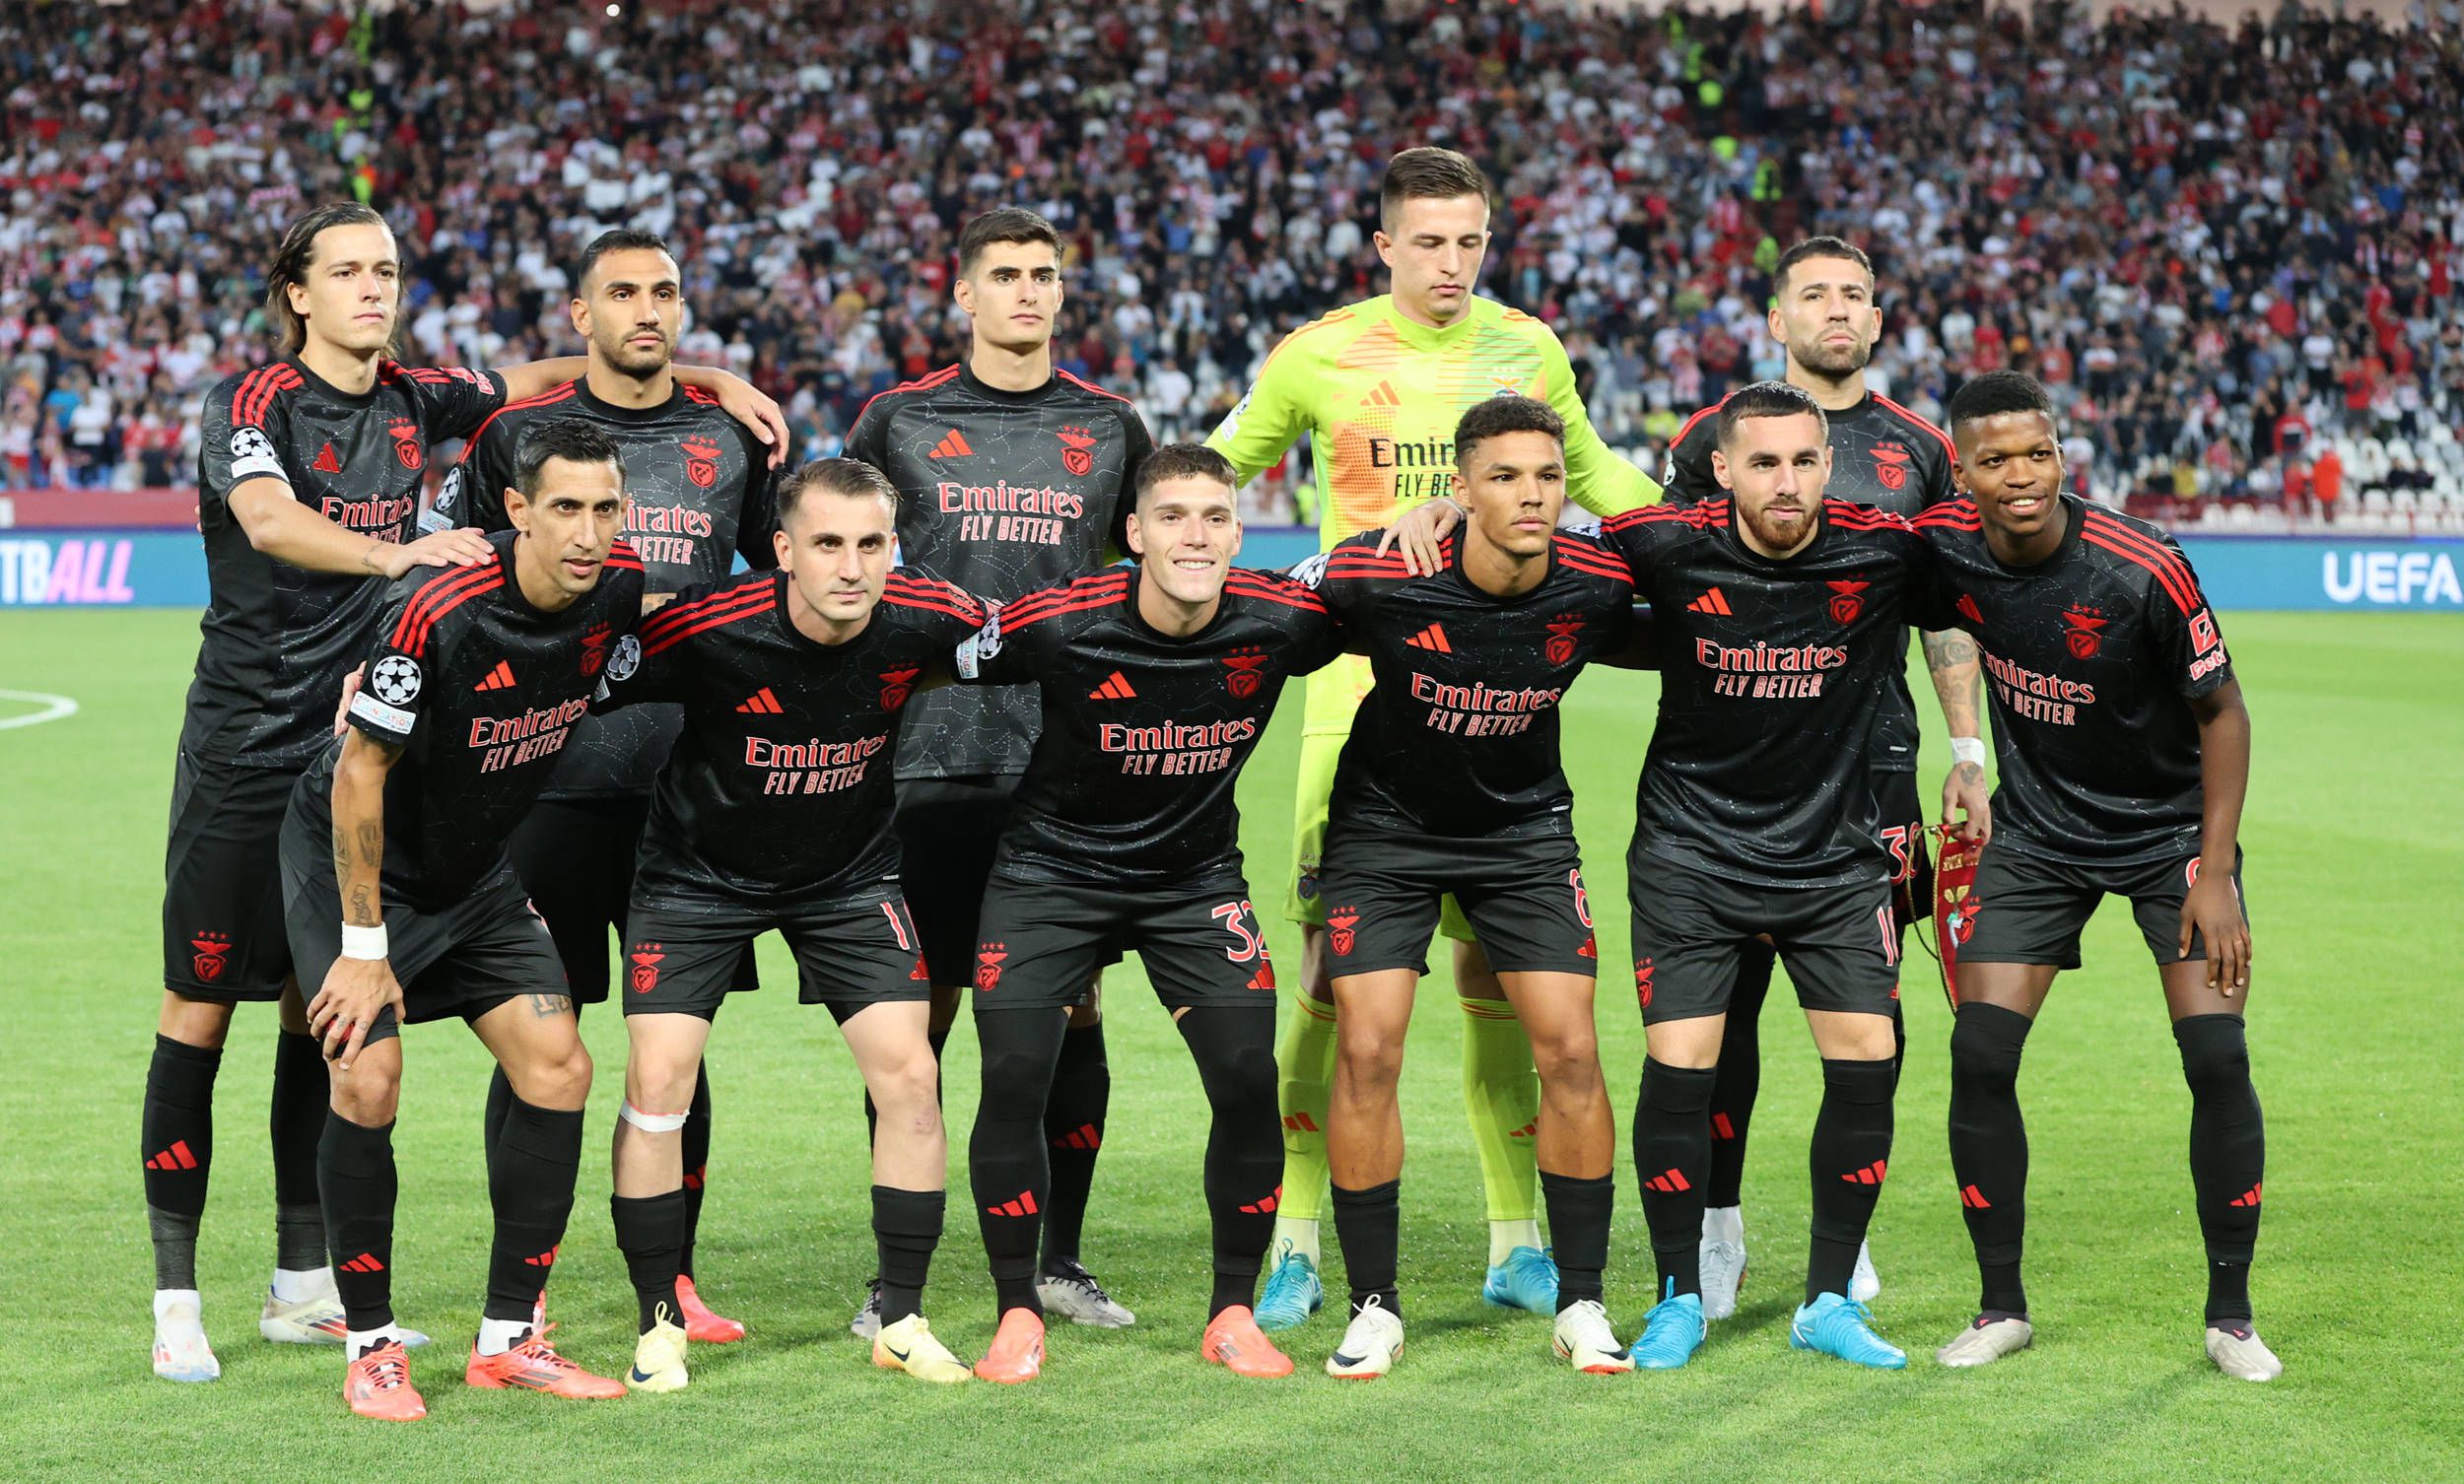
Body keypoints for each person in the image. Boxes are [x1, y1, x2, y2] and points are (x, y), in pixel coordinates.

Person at [146, 200, 780, 1383]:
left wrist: (702, 372)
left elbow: (539, 370)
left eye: (385, 270)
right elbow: (270, 518)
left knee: (315, 1021)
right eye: (347, 272)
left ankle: (302, 1286)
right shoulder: (251, 404)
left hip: (374, 741)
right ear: (297, 292)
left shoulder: (416, 396)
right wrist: (399, 553)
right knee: (200, 1009)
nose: (373, 289)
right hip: (255, 742)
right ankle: (176, 1295)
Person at [1207, 146, 1661, 1331]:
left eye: (1469, 241)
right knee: (1331, 988)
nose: (1450, 262)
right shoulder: (1317, 354)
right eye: (1428, 241)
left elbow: (1594, 467)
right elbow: (1216, 470)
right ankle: (1297, 1242)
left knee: (1501, 986)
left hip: (1498, 687)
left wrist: (1688, 536)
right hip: (1356, 700)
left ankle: (1521, 1243)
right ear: (1384, 246)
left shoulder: (1530, 349)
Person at [441, 227, 785, 1345]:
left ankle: (672, 1277)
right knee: (536, 1040)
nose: (649, 309)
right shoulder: (513, 437)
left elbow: (778, 592)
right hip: (535, 787)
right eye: (622, 293)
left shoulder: (731, 433)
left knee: (674, 1041)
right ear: (579, 316)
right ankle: (521, 1287)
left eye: (666, 292)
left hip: (690, 795)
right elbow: (447, 583)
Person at [1598, 380, 1971, 1372]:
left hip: (1835, 855)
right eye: (1762, 462)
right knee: (1681, 1069)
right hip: (1691, 853)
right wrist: (1445, 509)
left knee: (1866, 1057)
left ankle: (1826, 1299)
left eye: (1805, 461)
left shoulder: (1884, 548)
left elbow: (2007, 573)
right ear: (1719, 470)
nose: (1787, 482)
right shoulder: (1661, 541)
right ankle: (1679, 1293)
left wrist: (1971, 751)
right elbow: (1529, 554)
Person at [281, 419, 648, 1420]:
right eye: (564, 508)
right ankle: (369, 1346)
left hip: (473, 871)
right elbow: (359, 773)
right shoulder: (435, 608)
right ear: (517, 512)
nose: (587, 532)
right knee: (368, 1071)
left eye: (605, 509)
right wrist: (365, 951)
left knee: (559, 1064)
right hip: (354, 859)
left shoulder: (617, 588)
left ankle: (507, 1338)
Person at [1917, 371, 2275, 1382]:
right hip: (2037, 835)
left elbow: (2224, 714)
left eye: (2037, 453)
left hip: (2170, 836)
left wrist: (2211, 870)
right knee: (1981, 1054)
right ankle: (2000, 1308)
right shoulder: (1940, 548)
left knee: (2214, 1060)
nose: (2021, 475)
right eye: (1995, 460)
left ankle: (2231, 1318)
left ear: (2060, 454)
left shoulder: (2140, 565)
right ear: (1965, 472)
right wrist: (1967, 760)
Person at [599, 459, 986, 1389]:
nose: (851, 566)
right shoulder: (703, 625)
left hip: (848, 878)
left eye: (870, 544)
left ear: (894, 547)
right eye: (826, 544)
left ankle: (900, 1316)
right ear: (783, 550)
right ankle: (657, 1322)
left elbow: (1040, 639)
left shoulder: (932, 613)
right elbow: (575, 675)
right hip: (695, 878)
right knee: (658, 1083)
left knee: (911, 1074)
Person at [957, 444, 1338, 1384]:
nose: (1195, 535)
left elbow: (1387, 590)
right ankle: (1016, 1312)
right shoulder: (1058, 620)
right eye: (1172, 516)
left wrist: (1428, 522)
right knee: (1012, 1075)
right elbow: (925, 657)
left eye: (1215, 516)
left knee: (1251, 1076)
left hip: (1192, 880)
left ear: (1240, 533)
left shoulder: (1281, 621)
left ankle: (1234, 1313)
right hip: (1050, 873)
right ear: (1134, 533)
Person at [841, 207, 1154, 1336]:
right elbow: (849, 567)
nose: (1028, 292)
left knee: (1070, 1009)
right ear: (960, 295)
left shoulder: (1110, 424)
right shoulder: (898, 420)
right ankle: (898, 1278)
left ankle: (1058, 1262)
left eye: (1045, 275)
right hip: (915, 762)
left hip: (1062, 768)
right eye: (1006, 276)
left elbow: (1149, 574)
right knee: (908, 1025)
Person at [1298, 396, 1638, 1380]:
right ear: (1459, 489)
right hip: (1384, 833)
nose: (1528, 495)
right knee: (1365, 1048)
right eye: (1503, 476)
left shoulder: (1595, 580)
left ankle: (1579, 1300)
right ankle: (1372, 1307)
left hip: (1524, 835)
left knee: (1571, 1049)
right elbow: (1276, 602)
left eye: (1544, 476)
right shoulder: (1389, 570)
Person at [1658, 237, 1958, 1315]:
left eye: (1856, 296)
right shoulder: (1710, 439)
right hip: (1733, 767)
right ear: (1774, 320)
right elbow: (1659, 572)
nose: (1837, 312)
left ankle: (1848, 1236)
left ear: (1877, 321)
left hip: (1873, 771)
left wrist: (1965, 751)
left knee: (1871, 1012)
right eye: (1813, 296)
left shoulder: (1922, 448)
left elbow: (1943, 622)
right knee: (1720, 1008)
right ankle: (1716, 1223)